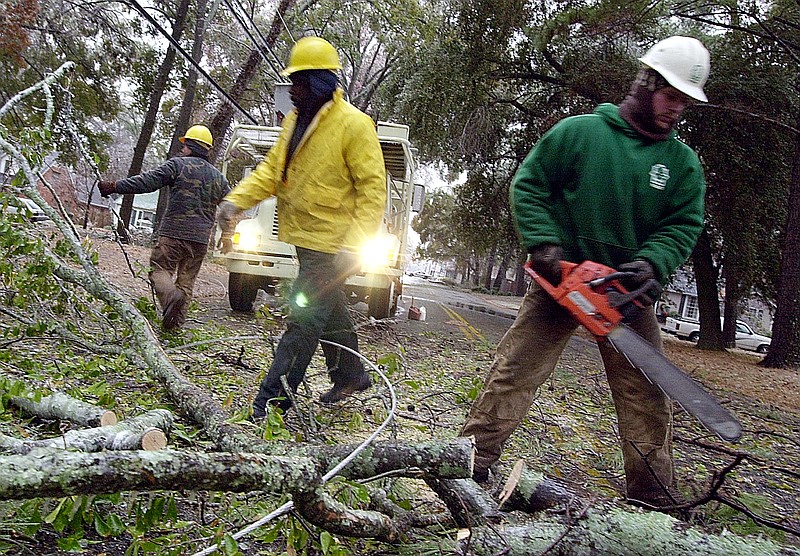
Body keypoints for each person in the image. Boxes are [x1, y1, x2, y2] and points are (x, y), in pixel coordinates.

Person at [460, 36, 710, 509]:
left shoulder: (682, 165)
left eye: (684, 101)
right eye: (671, 95)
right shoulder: (579, 134)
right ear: (647, 82)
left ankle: (654, 496)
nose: (676, 109)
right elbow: (530, 185)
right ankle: (470, 462)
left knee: (645, 392)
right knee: (514, 372)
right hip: (562, 284)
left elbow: (682, 224)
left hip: (623, 296)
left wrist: (651, 263)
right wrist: (545, 245)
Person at [216, 36, 386, 417]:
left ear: (322, 82)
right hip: (306, 240)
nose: (292, 91)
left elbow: (373, 190)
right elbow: (271, 174)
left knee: (304, 316)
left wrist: (354, 247)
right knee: (331, 310)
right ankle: (350, 374)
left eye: (299, 83)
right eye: (293, 82)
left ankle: (272, 403)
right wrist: (235, 202)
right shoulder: (294, 122)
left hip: (333, 247)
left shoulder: (355, 126)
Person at [99, 125, 230, 330]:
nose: (182, 149)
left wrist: (115, 186)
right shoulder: (219, 178)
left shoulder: (177, 165)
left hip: (173, 234)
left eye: (184, 145)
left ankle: (170, 297)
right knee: (186, 283)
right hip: (200, 240)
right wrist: (228, 235)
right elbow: (230, 207)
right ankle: (173, 328)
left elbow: (147, 182)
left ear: (190, 145)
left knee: (159, 270)